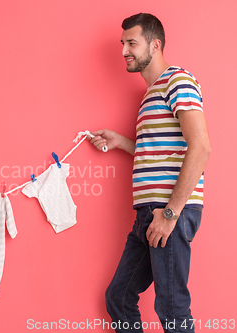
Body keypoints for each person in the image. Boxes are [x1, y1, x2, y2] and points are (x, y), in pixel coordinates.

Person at [89, 13, 211, 333]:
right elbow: (160, 152)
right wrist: (121, 142)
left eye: (132, 43)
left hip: (168, 211)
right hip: (148, 213)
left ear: (154, 45)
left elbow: (201, 147)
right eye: (122, 44)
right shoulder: (150, 94)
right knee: (120, 295)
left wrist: (170, 213)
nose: (124, 51)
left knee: (171, 306)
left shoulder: (177, 80)